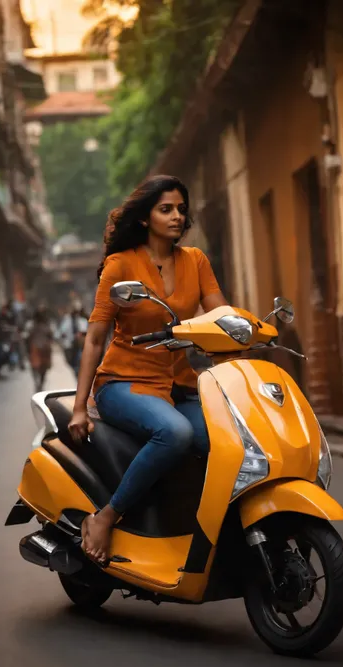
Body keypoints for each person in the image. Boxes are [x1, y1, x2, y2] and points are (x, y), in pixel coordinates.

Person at [68, 175, 228, 564]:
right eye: (166, 209)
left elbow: (222, 316)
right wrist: (78, 406)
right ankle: (106, 517)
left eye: (181, 209)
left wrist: (241, 332)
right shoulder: (120, 264)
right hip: (124, 382)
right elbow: (94, 338)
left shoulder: (196, 261)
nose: (177, 217)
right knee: (175, 433)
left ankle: (201, 530)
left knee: (227, 442)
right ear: (145, 218)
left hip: (180, 384)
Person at [59, 301, 88, 377]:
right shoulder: (68, 320)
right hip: (71, 345)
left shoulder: (84, 320)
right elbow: (62, 331)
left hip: (82, 345)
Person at [28, 307, 53, 391]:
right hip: (44, 348)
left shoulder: (32, 326)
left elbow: (28, 338)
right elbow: (51, 336)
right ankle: (40, 383)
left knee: (35, 367)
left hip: (35, 348)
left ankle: (37, 383)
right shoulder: (46, 326)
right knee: (43, 368)